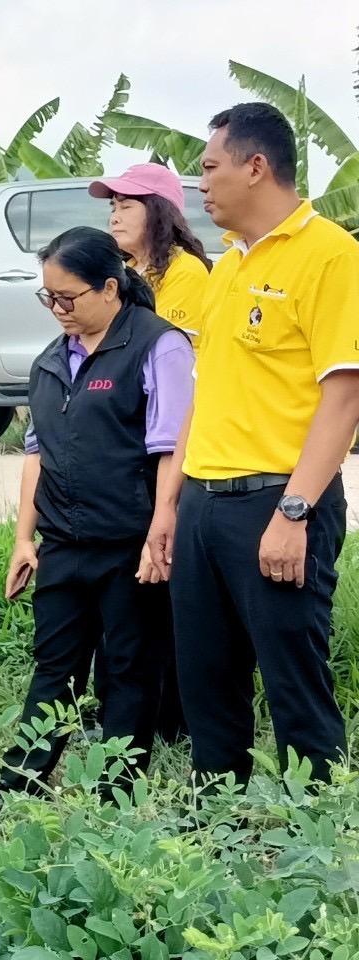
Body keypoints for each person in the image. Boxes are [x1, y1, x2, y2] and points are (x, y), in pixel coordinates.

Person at [147, 103, 359, 786]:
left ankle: (318, 854)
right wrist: (171, 505)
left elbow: (345, 394)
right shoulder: (228, 269)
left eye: (210, 167)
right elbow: (203, 394)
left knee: (295, 686)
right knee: (208, 686)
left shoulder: (331, 255)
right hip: (206, 507)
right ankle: (218, 836)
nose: (200, 185)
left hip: (277, 501)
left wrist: (294, 513)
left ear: (256, 166)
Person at [0, 227, 194, 809]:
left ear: (109, 288)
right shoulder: (53, 359)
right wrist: (24, 539)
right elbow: (36, 453)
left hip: (131, 543)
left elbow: (172, 447)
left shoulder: (158, 345)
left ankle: (116, 792)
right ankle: (21, 782)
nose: (58, 310)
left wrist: (161, 527)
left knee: (129, 669)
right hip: (64, 543)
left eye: (67, 298)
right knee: (55, 667)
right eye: (48, 298)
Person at [88, 162, 213, 744]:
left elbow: (173, 363)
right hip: (123, 444)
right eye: (110, 203)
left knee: (158, 583)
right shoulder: (119, 273)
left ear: (159, 212)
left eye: (128, 204)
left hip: (164, 445)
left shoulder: (184, 275)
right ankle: (123, 708)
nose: (114, 212)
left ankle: (168, 717)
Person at [90, 163, 212, 340]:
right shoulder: (126, 268)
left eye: (126, 207)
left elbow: (167, 348)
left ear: (159, 212)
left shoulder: (185, 270)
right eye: (113, 208)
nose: (114, 218)